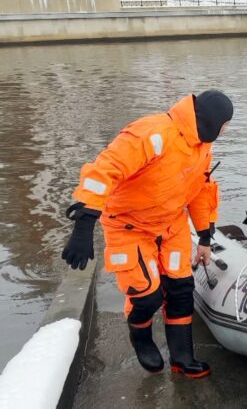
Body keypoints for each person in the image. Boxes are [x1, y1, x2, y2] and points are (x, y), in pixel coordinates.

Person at [61, 91, 233, 378]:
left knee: (181, 290)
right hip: (129, 226)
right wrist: (84, 224)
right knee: (147, 296)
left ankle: (182, 357)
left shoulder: (202, 148)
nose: (225, 130)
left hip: (171, 225)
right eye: (225, 125)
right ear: (212, 120)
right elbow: (104, 171)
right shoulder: (151, 134)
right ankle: (140, 337)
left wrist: (205, 237)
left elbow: (201, 192)